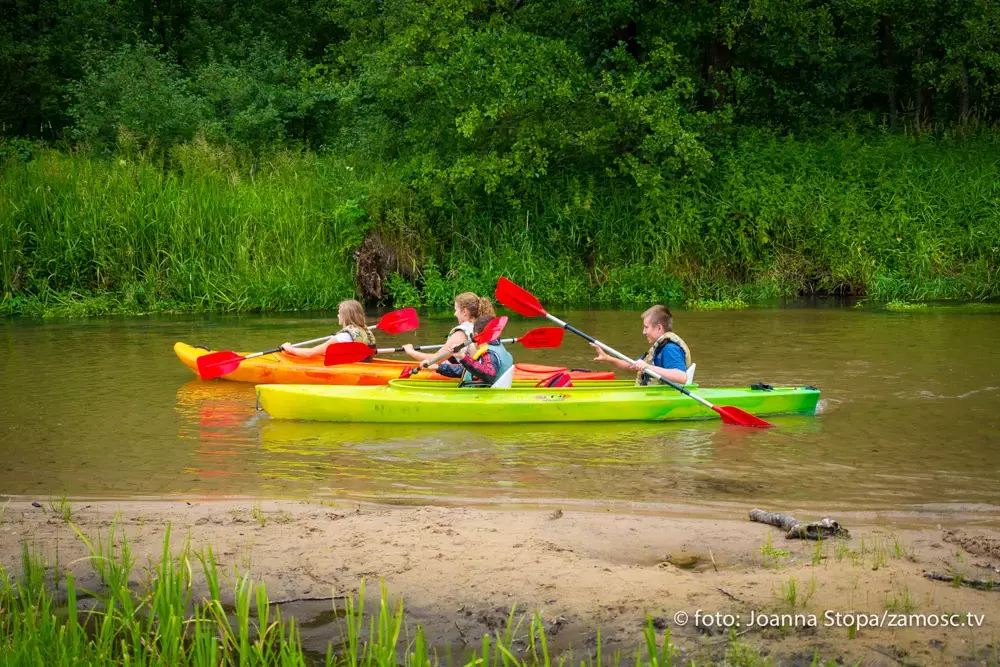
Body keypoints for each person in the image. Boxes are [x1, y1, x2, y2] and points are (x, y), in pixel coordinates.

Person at [590, 305, 691, 385]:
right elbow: (631, 365)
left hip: (663, 398)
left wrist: (648, 367)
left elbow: (681, 377)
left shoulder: (670, 348)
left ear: (659, 328)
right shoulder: (658, 348)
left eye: (646, 327)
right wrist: (608, 358)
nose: (644, 332)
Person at [402, 292, 495, 369]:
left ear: (464, 312)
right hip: (480, 369)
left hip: (465, 374)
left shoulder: (462, 333)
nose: (455, 314)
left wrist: (411, 351)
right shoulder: (483, 326)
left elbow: (436, 360)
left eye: (456, 310)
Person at [279, 299, 376, 361]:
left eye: (339, 313)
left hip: (352, 370)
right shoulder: (365, 331)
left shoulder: (343, 337)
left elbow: (310, 353)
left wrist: (289, 348)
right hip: (363, 366)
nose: (337, 316)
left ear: (345, 316)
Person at [432, 315, 514, 387]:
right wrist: (440, 367)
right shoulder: (498, 348)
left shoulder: (489, 353)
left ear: (475, 335)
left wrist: (463, 357)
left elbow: (489, 374)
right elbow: (471, 371)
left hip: (480, 396)